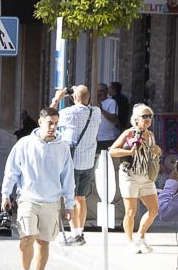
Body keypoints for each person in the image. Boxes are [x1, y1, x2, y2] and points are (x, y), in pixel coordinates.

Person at [0, 107, 75, 270]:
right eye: (50, 123)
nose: (53, 127)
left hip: (51, 201)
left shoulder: (63, 147)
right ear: (40, 122)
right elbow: (12, 170)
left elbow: (68, 177)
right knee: (27, 238)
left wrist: (69, 203)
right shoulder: (25, 144)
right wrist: (6, 194)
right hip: (28, 198)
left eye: (56, 123)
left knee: (43, 243)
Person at [108, 104, 162, 252]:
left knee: (154, 209)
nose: (148, 119)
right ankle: (130, 241)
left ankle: (141, 236)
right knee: (131, 211)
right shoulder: (128, 133)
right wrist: (129, 152)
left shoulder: (150, 135)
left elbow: (152, 153)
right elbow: (112, 151)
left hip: (146, 176)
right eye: (144, 116)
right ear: (136, 119)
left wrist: (158, 151)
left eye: (150, 116)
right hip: (129, 175)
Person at [53, 85, 101, 243]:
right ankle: (80, 232)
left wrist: (58, 98)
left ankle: (74, 233)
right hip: (88, 162)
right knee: (81, 198)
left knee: (70, 199)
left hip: (71, 164)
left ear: (74, 97)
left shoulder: (69, 113)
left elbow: (48, 117)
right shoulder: (96, 112)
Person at [95, 85, 121, 151]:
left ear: (106, 91)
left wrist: (101, 109)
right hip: (95, 138)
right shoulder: (93, 103)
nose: (99, 93)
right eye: (98, 91)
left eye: (101, 91)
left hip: (107, 138)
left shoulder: (112, 102)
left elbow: (113, 118)